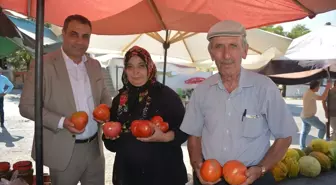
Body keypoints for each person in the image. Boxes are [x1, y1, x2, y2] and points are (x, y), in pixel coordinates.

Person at [180, 20, 298, 185]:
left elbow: (285, 136)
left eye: (233, 46)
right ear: (211, 53)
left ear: (245, 50)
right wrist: (197, 166)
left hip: (255, 177)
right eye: (219, 46)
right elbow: (194, 135)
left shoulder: (265, 88)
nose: (226, 55)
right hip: (210, 177)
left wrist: (262, 168)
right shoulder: (202, 91)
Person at [19, 14, 112, 185]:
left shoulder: (95, 65)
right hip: (63, 149)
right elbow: (26, 106)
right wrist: (62, 121)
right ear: (63, 33)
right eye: (74, 34)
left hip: (94, 149)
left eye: (85, 36)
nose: (80, 41)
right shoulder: (43, 64)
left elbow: (105, 94)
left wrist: (107, 111)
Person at [103, 46, 188, 185]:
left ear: (149, 67)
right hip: (128, 175)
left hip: (162, 176)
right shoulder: (120, 99)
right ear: (125, 70)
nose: (135, 72)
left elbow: (185, 130)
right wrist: (109, 137)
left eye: (141, 66)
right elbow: (112, 146)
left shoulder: (166, 95)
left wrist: (165, 137)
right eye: (130, 66)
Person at [300, 80, 331, 149]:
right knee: (323, 128)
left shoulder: (309, 92)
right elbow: (323, 98)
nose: (319, 88)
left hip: (304, 115)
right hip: (309, 116)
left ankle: (302, 147)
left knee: (304, 132)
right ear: (316, 87)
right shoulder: (310, 93)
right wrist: (327, 88)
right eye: (319, 86)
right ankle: (317, 145)